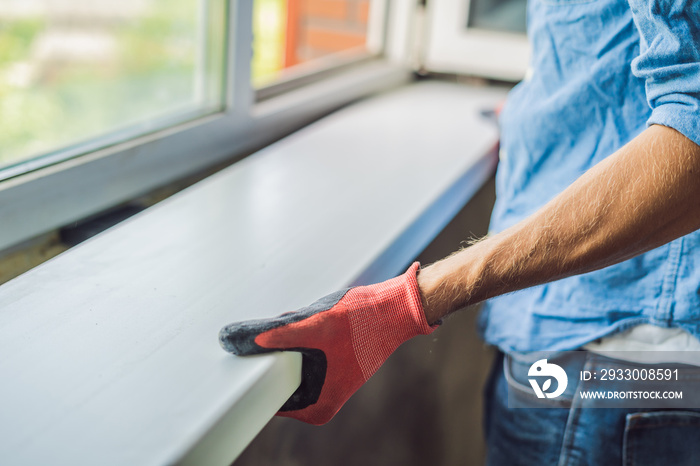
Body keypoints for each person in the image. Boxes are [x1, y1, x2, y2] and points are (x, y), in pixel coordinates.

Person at [220, 0, 700, 462]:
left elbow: (693, 143)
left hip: (617, 367)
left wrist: (407, 305)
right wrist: (541, 118)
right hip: (592, 350)